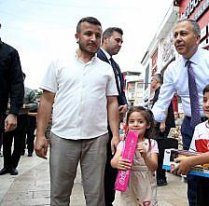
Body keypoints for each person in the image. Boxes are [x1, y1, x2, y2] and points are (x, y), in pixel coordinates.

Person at [151, 18, 209, 206]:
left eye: (183, 34)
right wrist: (142, 122)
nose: (177, 39)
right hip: (191, 127)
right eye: (175, 35)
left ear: (197, 38)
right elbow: (162, 104)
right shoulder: (172, 70)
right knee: (193, 177)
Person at [34, 17, 120, 206]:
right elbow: (46, 100)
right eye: (88, 34)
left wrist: (115, 134)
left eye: (97, 35)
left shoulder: (106, 69)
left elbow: (112, 103)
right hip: (62, 136)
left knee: (96, 196)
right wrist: (40, 135)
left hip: (97, 138)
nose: (93, 39)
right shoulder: (59, 63)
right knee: (59, 195)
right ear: (77, 36)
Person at [97, 27, 128, 206]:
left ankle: (108, 200)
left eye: (121, 41)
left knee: (111, 165)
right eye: (117, 40)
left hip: (113, 123)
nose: (120, 44)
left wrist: (122, 105)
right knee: (101, 168)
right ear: (106, 39)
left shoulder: (114, 64)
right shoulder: (97, 60)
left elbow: (118, 91)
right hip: (100, 123)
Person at [111, 106, 158, 206]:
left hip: (145, 183)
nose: (135, 125)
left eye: (140, 122)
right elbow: (113, 162)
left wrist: (145, 156)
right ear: (127, 124)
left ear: (148, 125)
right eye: (132, 121)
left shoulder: (151, 143)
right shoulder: (123, 143)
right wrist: (118, 162)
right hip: (128, 181)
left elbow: (154, 166)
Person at [0, 22, 25, 175]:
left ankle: (11, 165)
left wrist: (13, 112)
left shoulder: (9, 53)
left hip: (5, 113)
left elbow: (17, 84)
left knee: (16, 143)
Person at [150, 73, 176, 186]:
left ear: (156, 81)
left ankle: (161, 178)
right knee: (159, 150)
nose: (151, 83)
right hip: (159, 125)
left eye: (152, 80)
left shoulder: (161, 91)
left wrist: (162, 122)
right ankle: (160, 176)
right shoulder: (158, 92)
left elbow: (164, 107)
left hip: (162, 126)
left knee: (160, 150)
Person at [20, 73, 38, 157]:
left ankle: (30, 150)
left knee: (30, 135)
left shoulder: (30, 91)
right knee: (21, 134)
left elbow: (35, 104)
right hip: (19, 116)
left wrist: (25, 106)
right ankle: (21, 150)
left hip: (29, 117)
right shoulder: (11, 91)